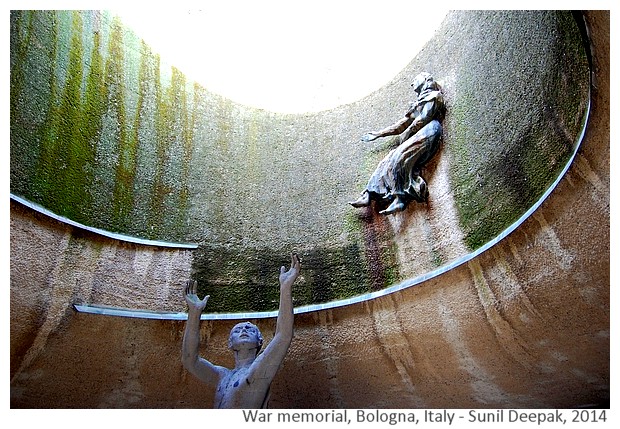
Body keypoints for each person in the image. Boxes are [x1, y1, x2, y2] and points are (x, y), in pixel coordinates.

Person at [182, 253, 301, 408]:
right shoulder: (221, 376)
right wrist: (194, 313)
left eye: (250, 329)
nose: (244, 329)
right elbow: (190, 361)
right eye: (238, 329)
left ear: (260, 341)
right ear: (230, 343)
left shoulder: (258, 371)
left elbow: (283, 335)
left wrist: (285, 289)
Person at [349, 72, 445, 215]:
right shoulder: (417, 104)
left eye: (415, 79)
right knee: (386, 160)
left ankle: (400, 198)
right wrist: (378, 134)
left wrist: (407, 133)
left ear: (425, 79)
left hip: (430, 131)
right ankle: (369, 193)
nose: (412, 84)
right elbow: (400, 126)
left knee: (399, 156)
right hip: (418, 135)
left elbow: (424, 119)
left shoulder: (434, 96)